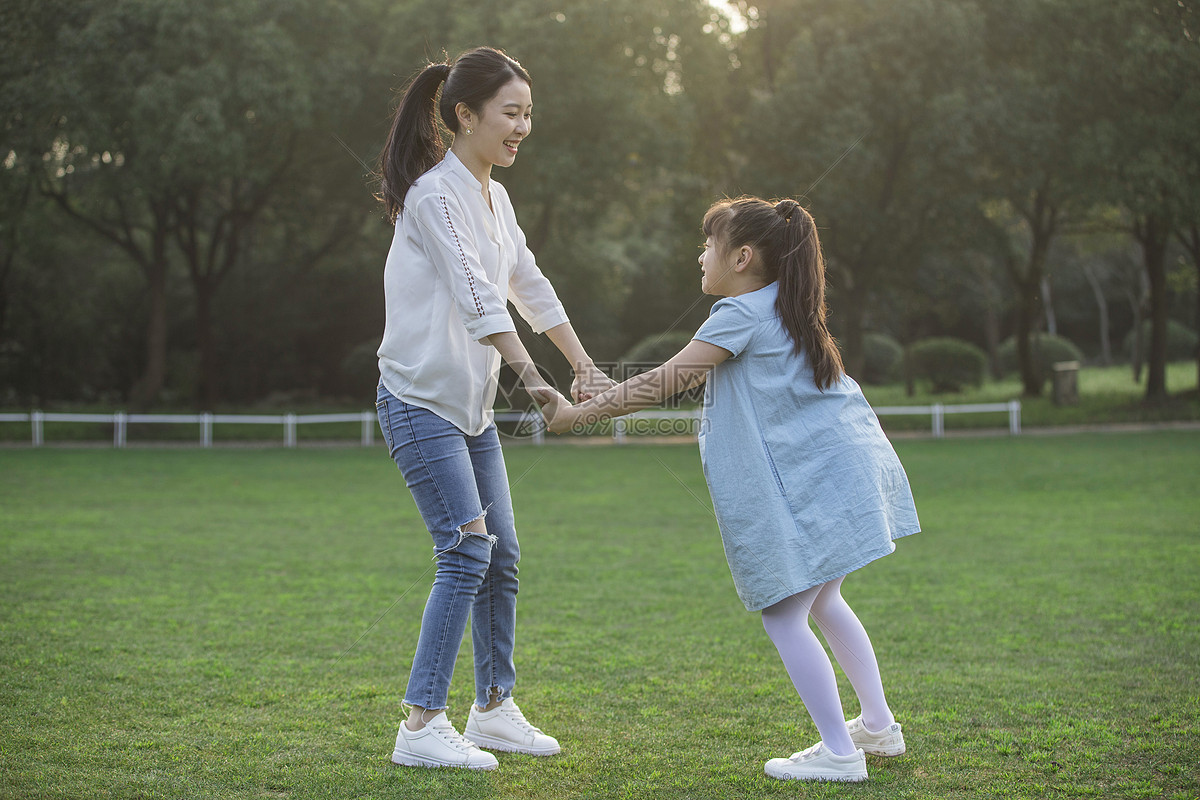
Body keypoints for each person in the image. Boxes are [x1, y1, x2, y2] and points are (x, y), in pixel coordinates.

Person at [539, 196, 920, 782]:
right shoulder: (786, 307)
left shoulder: (741, 313)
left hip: (819, 477)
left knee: (784, 615)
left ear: (741, 257)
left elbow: (666, 382)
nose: (699, 255)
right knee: (822, 601)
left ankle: (841, 754)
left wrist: (577, 417)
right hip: (845, 469)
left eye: (707, 244)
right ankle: (878, 728)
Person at [374, 46, 611, 771]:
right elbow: (479, 293)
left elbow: (527, 285)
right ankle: (420, 724)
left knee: (500, 554)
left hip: (469, 413)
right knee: (467, 550)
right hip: (419, 403)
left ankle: (494, 708)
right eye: (511, 113)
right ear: (464, 116)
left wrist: (583, 364)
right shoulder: (433, 197)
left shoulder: (495, 198)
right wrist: (532, 378)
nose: (522, 128)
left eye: (528, 114)